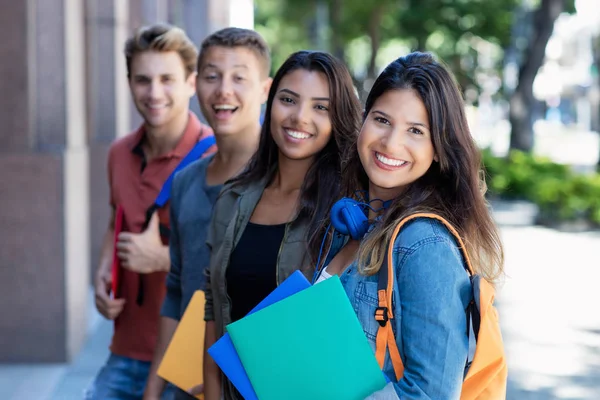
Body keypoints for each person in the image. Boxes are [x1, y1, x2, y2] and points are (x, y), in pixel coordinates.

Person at [313, 52, 504, 398]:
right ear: (364, 120)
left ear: (438, 148)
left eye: (416, 130)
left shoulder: (424, 244)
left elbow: (430, 392)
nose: (390, 142)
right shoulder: (356, 223)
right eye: (382, 120)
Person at [202, 50, 362, 400]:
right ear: (271, 100)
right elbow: (214, 313)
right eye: (288, 100)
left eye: (321, 107)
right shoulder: (233, 198)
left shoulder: (349, 213)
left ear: (339, 118)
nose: (299, 117)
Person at [87, 24, 215, 400]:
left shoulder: (215, 157)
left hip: (185, 355)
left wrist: (160, 258)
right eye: (143, 80)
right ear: (129, 83)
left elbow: (225, 262)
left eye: (167, 79)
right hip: (124, 348)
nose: (154, 92)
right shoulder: (118, 153)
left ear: (191, 83)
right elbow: (117, 220)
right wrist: (102, 271)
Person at [143, 27, 272, 400]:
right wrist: (153, 387)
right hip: (185, 382)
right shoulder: (184, 183)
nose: (223, 91)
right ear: (196, 84)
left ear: (265, 89)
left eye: (238, 78)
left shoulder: (281, 184)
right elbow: (175, 289)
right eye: (212, 77)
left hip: (254, 383)